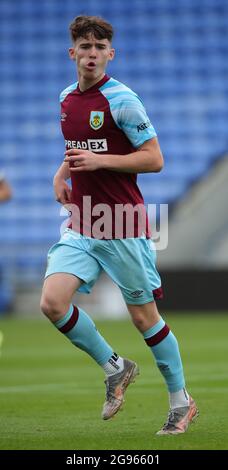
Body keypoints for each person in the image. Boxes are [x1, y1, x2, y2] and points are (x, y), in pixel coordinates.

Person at [40, 15, 198, 435]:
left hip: (123, 224)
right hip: (82, 223)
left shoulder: (123, 99)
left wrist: (101, 161)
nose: (92, 53)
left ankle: (181, 402)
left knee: (145, 319)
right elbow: (78, 148)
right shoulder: (67, 99)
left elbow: (154, 158)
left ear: (111, 53)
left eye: (99, 47)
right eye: (84, 46)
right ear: (72, 52)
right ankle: (115, 368)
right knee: (53, 303)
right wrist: (63, 173)